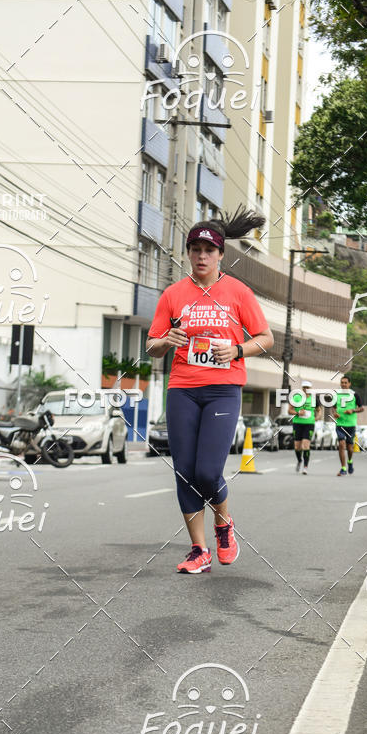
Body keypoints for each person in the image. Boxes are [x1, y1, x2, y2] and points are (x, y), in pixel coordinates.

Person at [146, 207, 274, 574]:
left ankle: (223, 523)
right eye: (196, 250)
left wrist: (237, 350)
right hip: (183, 389)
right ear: (188, 253)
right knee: (184, 472)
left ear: (221, 255)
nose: (202, 256)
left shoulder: (237, 292)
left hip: (223, 389)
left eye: (209, 250)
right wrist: (166, 340)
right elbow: (151, 345)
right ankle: (198, 550)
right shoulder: (173, 294)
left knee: (206, 471)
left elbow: (266, 338)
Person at [333, 374, 364, 476]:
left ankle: (350, 462)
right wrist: (335, 413)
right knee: (341, 444)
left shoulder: (355, 395)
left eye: (345, 383)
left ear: (349, 384)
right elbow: (333, 407)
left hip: (351, 425)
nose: (343, 384)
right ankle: (343, 468)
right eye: (342, 383)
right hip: (340, 424)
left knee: (350, 448)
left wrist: (353, 410)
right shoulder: (336, 395)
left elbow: (361, 408)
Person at [290, 381, 321, 474]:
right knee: (297, 446)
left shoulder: (314, 399)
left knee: (305, 445)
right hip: (297, 423)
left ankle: (305, 467)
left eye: (308, 387)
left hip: (309, 424)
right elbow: (289, 410)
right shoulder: (296, 397)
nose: (306, 389)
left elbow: (319, 410)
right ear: (302, 388)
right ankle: (299, 460)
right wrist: (298, 413)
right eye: (304, 387)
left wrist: (317, 417)